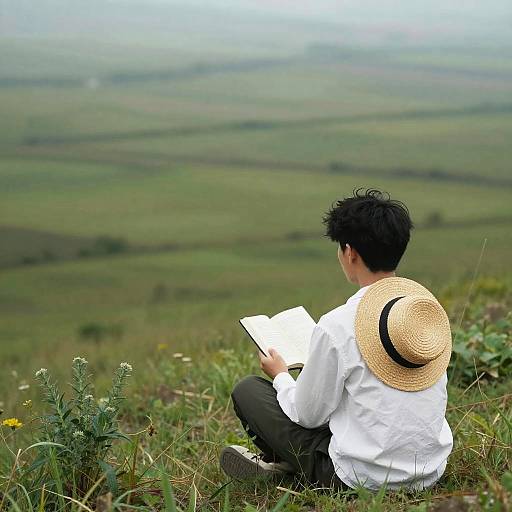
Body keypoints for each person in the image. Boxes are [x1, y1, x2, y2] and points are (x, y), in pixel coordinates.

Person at [220, 188, 453, 491]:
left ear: (350, 252)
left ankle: (290, 471)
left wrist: (280, 376)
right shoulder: (426, 312)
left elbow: (307, 415)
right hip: (429, 472)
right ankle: (285, 467)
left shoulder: (338, 324)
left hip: (357, 480)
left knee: (249, 390)